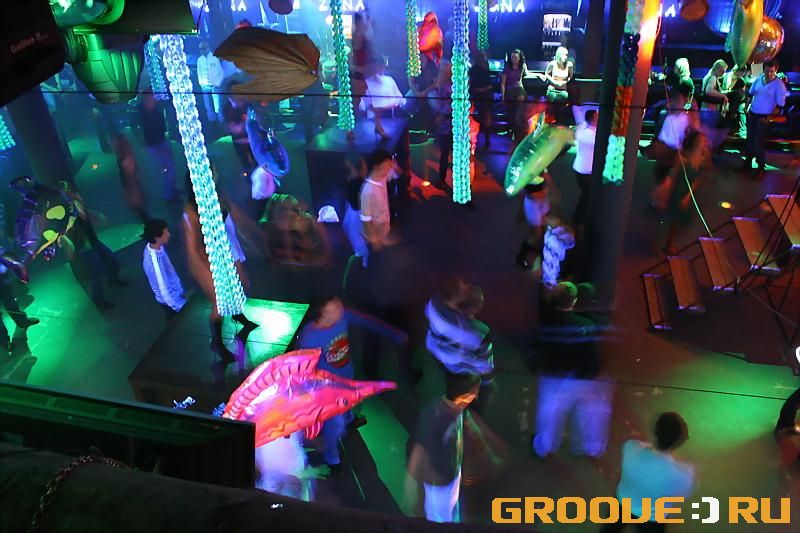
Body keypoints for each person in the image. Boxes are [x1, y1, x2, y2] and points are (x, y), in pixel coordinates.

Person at [296, 293, 406, 473]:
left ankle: (349, 419)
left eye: (339, 305)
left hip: (347, 378)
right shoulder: (310, 338)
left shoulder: (342, 316)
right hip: (330, 390)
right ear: (323, 314)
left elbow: (368, 322)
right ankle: (332, 459)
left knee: (349, 406)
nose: (341, 310)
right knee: (334, 426)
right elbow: (302, 368)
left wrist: (394, 334)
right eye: (335, 309)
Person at [532, 281, 611, 459]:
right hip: (580, 377)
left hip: (553, 375)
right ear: (574, 301)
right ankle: (593, 448)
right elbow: (591, 354)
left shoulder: (546, 321)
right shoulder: (586, 325)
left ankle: (544, 446)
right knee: (589, 412)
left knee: (550, 412)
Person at [183, 185, 259, 364]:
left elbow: (231, 223)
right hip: (213, 261)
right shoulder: (191, 212)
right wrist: (206, 271)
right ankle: (217, 342)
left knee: (241, 288)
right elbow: (193, 248)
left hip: (227, 252)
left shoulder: (215, 196)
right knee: (220, 303)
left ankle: (239, 317)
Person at [601, 412, 695, 532]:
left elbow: (641, 446)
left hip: (622, 503)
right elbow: (681, 495)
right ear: (678, 442)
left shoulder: (630, 448)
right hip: (652, 517)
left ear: (655, 432)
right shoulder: (683, 474)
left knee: (609, 529)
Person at [407, 373, 481, 523]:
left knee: (452, 514)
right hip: (439, 486)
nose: (476, 396)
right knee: (440, 520)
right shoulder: (433, 417)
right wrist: (416, 495)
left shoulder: (458, 409)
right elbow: (418, 456)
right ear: (464, 396)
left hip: (451, 477)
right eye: (475, 392)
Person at [652, 131, 709, 256]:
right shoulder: (683, 156)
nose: (705, 143)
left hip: (685, 193)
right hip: (676, 190)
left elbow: (697, 180)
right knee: (667, 219)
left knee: (676, 221)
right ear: (695, 142)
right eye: (702, 141)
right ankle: (658, 244)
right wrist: (666, 191)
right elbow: (673, 174)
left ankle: (669, 243)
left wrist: (688, 196)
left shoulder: (701, 158)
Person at [425, 278, 494, 382]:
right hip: (460, 364)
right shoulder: (478, 332)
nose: (469, 289)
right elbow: (484, 363)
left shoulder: (433, 304)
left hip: (436, 349)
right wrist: (488, 378)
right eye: (464, 291)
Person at [745, 59, 787, 178]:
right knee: (749, 140)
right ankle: (747, 163)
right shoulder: (759, 79)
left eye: (771, 72)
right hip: (753, 113)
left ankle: (760, 167)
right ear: (763, 70)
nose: (769, 74)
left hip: (764, 117)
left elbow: (780, 106)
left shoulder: (779, 85)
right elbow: (750, 93)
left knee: (758, 141)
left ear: (776, 71)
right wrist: (747, 107)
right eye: (767, 71)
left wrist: (769, 117)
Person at [141, 219, 186, 320]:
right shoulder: (154, 263)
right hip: (172, 303)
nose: (169, 234)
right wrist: (183, 309)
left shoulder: (155, 247)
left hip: (176, 294)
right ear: (156, 237)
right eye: (166, 232)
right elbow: (165, 294)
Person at [139, 92, 179, 201]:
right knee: (167, 169)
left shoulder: (155, 111)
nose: (155, 99)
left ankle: (171, 191)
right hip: (155, 144)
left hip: (160, 141)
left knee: (170, 168)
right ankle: (168, 195)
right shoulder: (144, 114)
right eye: (152, 97)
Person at [361, 57, 406, 141]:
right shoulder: (365, 83)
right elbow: (364, 106)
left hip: (393, 117)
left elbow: (401, 99)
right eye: (377, 66)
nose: (379, 68)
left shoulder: (389, 80)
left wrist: (387, 107)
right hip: (374, 121)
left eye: (381, 66)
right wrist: (378, 110)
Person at [359, 150, 396, 251]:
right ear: (377, 167)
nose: (391, 167)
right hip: (375, 237)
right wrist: (374, 240)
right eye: (388, 165)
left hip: (384, 231)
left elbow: (394, 173)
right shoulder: (368, 191)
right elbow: (366, 220)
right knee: (377, 258)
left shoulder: (382, 177)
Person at [111, 132, 150, 222]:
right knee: (142, 214)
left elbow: (132, 179)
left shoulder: (126, 162)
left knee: (142, 214)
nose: (114, 148)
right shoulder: (123, 160)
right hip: (133, 193)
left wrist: (133, 195)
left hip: (134, 194)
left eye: (115, 146)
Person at [516, 176, 550, 270]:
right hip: (533, 204)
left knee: (541, 229)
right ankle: (523, 255)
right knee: (537, 233)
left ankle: (536, 253)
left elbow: (547, 178)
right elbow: (521, 190)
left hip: (543, 199)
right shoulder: (525, 171)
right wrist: (521, 210)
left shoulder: (540, 169)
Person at [342, 153, 369, 267]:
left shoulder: (358, 181)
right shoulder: (354, 178)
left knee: (356, 235)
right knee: (350, 229)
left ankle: (365, 261)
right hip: (354, 210)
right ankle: (363, 258)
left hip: (358, 212)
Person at [572, 109, 597, 226]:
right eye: (597, 116)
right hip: (586, 170)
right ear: (592, 119)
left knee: (586, 195)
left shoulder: (581, 128)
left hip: (579, 167)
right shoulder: (592, 136)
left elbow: (580, 120)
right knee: (587, 196)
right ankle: (578, 220)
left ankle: (580, 219)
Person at [223, 86, 256, 172]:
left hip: (251, 141)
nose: (240, 98)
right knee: (245, 164)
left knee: (257, 161)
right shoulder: (227, 109)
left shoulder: (247, 106)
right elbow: (233, 129)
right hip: (240, 143)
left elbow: (255, 121)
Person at [501, 49, 529, 143]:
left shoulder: (522, 66)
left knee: (520, 104)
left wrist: (540, 75)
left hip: (519, 89)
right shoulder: (507, 67)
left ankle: (519, 132)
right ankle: (515, 130)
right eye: (512, 57)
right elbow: (503, 84)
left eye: (516, 57)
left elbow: (528, 74)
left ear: (520, 58)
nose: (514, 59)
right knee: (512, 111)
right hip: (510, 90)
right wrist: (503, 96)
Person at [469, 51, 493, 149]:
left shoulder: (480, 68)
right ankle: (486, 139)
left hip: (481, 95)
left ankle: (483, 139)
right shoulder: (477, 69)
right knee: (485, 116)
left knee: (485, 116)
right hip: (481, 95)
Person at [720, 64, 750, 140]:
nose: (742, 75)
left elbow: (742, 96)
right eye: (741, 72)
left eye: (743, 73)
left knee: (736, 96)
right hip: (722, 97)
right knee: (735, 94)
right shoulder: (725, 76)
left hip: (733, 101)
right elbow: (719, 90)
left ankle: (734, 128)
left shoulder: (741, 81)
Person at [197, 41, 224, 122]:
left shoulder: (215, 58)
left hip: (215, 85)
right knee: (208, 106)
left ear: (208, 48)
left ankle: (220, 120)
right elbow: (199, 72)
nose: (202, 50)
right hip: (205, 86)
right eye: (200, 49)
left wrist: (217, 83)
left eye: (204, 48)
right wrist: (201, 84)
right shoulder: (199, 60)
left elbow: (221, 72)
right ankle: (212, 121)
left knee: (218, 105)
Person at [699, 59, 728, 129]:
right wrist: (723, 95)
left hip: (705, 109)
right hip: (710, 110)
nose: (723, 73)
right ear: (717, 69)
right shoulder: (713, 78)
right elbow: (709, 91)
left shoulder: (708, 76)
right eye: (722, 71)